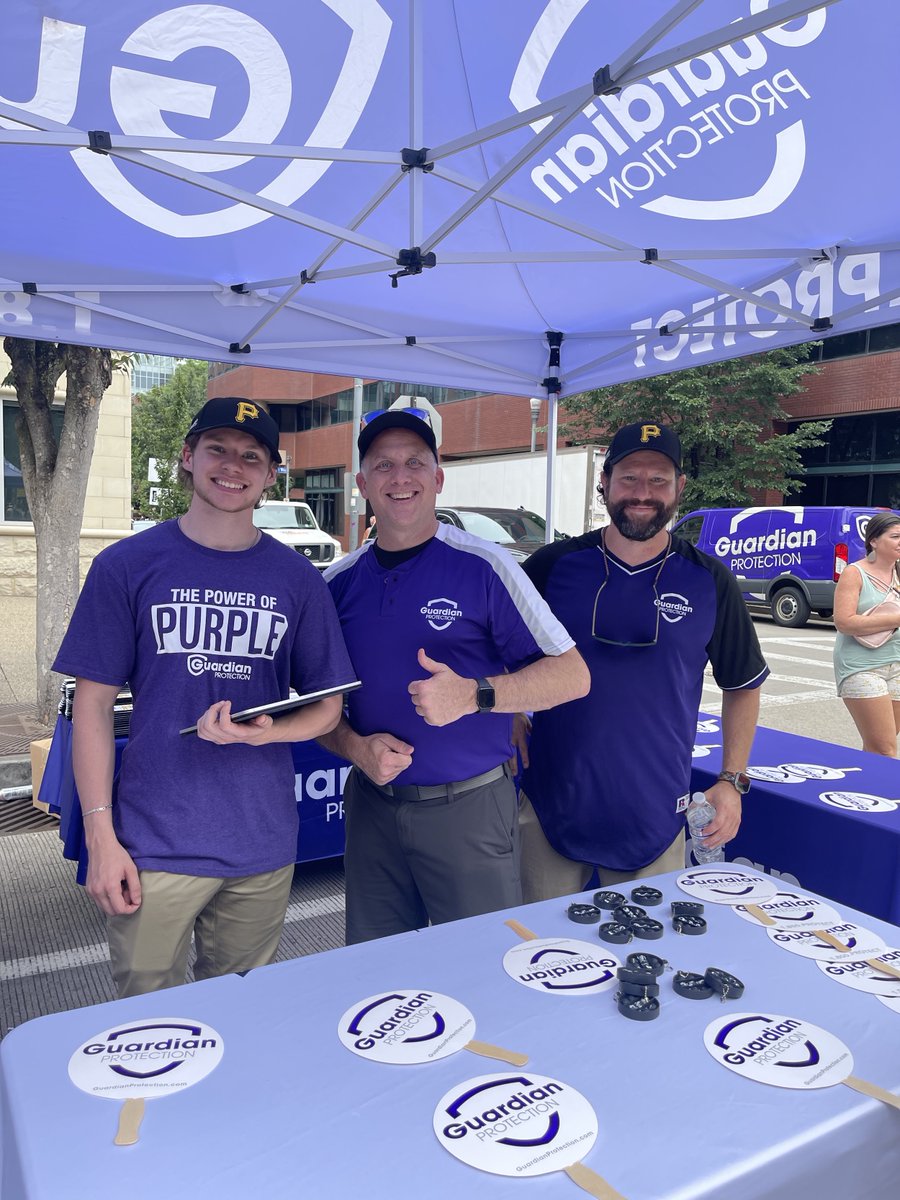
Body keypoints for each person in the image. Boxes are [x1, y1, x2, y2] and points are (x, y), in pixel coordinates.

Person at [53, 396, 355, 996]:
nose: (233, 466)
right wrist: (101, 838)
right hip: (152, 845)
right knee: (146, 1028)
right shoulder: (126, 565)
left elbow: (329, 705)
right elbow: (90, 707)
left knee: (239, 1016)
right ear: (188, 457)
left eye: (252, 456)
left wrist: (271, 731)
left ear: (272, 474)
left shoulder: (296, 578)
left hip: (262, 844)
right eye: (217, 449)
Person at [320, 406, 589, 943]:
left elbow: (573, 675)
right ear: (362, 483)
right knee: (376, 970)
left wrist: (477, 694)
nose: (401, 478)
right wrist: (353, 748)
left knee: (483, 968)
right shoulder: (336, 583)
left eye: (415, 463)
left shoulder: (486, 565)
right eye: (384, 465)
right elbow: (318, 705)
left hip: (469, 808)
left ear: (438, 477)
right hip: (373, 807)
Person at [517, 421, 769, 899]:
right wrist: (507, 717)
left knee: (645, 959)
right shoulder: (552, 567)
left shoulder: (709, 580)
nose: (643, 493)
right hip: (551, 804)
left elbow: (743, 683)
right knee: (536, 954)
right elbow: (501, 650)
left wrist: (732, 780)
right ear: (605, 482)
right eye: (629, 477)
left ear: (680, 488)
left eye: (659, 479)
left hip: (653, 811)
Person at [833, 511, 900, 755]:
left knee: (878, 746)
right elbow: (844, 622)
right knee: (885, 749)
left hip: (897, 665)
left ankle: (862, 789)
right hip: (861, 667)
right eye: (895, 536)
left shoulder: (898, 573)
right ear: (874, 540)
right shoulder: (855, 573)